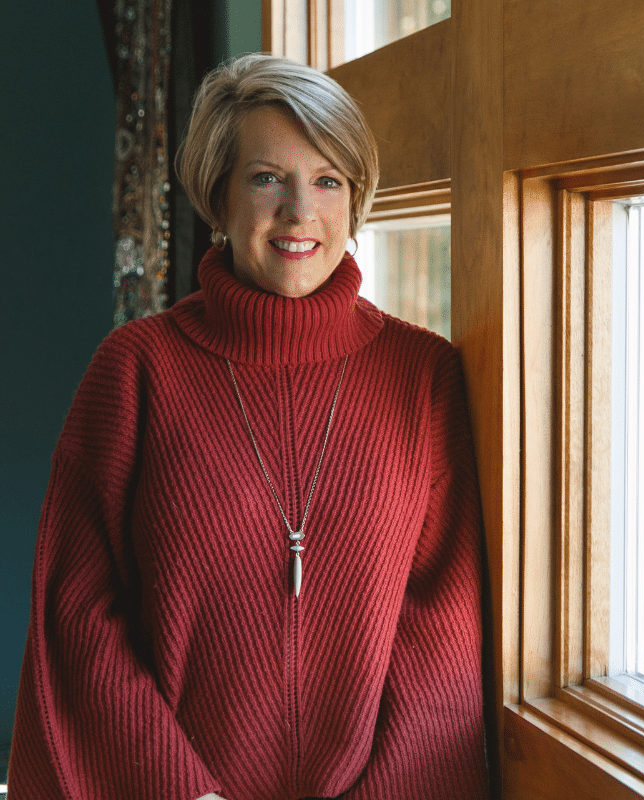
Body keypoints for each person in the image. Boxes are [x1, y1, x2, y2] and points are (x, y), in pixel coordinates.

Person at [8, 54, 488, 800]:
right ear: (218, 196)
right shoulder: (136, 370)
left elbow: (443, 627)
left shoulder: (422, 376)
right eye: (267, 178)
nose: (301, 212)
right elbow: (77, 611)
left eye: (328, 180)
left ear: (356, 201)